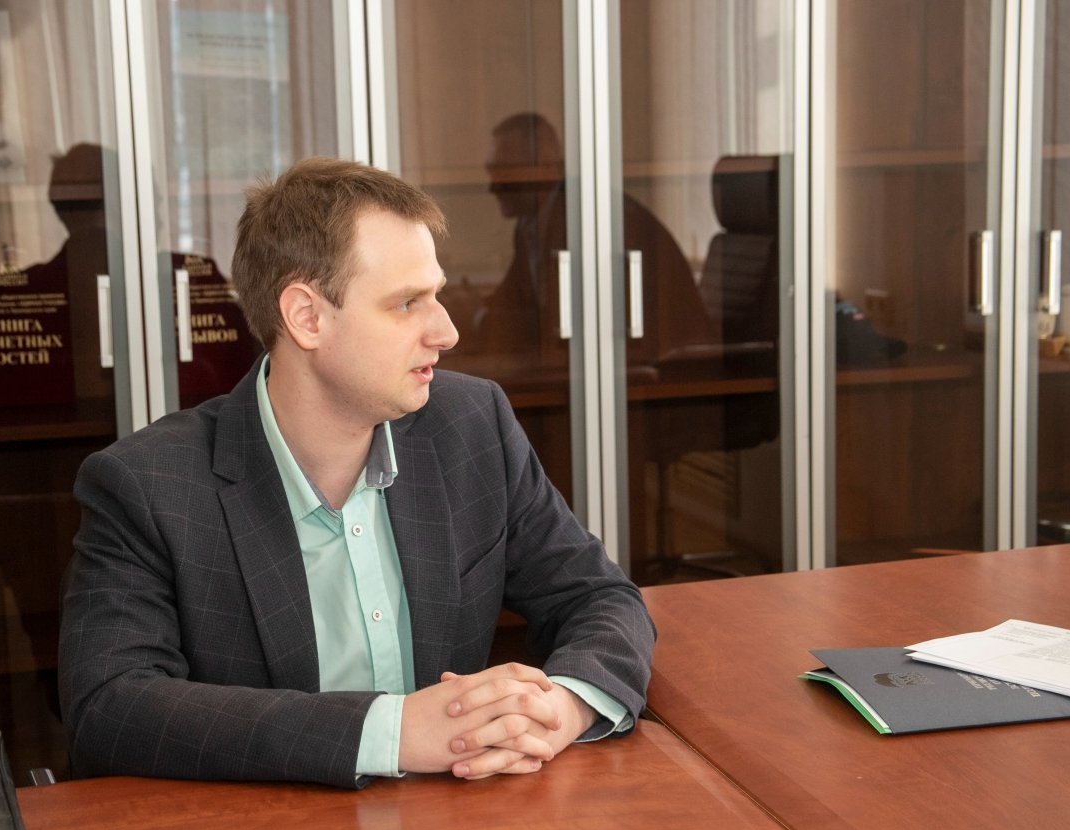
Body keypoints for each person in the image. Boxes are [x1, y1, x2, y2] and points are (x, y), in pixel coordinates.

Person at [59, 156, 656, 789]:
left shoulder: (471, 425)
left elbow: (599, 597)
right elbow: (110, 707)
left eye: (436, 296)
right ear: (306, 317)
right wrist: (392, 732)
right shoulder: (148, 484)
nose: (447, 331)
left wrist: (561, 709)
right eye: (406, 303)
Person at [475, 112, 712, 366]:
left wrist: (482, 318)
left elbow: (563, 320)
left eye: (505, 172)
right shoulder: (530, 224)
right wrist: (479, 305)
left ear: (547, 167)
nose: (493, 187)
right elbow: (515, 298)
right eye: (492, 172)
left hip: (659, 370)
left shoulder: (588, 221)